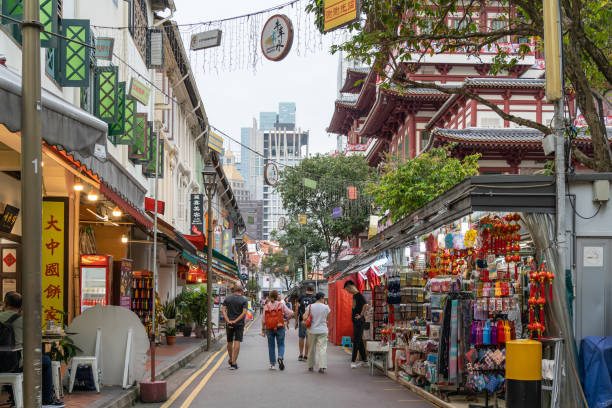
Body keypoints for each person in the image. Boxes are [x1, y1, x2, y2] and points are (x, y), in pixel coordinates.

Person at [0, 292, 64, 407]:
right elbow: (34, 342)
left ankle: (15, 397)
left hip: (1, 362)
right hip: (16, 362)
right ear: (21, 306)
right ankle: (47, 400)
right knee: (46, 361)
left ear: (5, 303)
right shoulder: (23, 320)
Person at [261, 290, 293, 370]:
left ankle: (272, 364)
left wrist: (263, 329)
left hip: (269, 328)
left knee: (271, 346)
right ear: (277, 296)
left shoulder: (266, 306)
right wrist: (286, 321)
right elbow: (290, 313)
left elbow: (263, 320)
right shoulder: (281, 305)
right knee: (281, 344)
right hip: (280, 327)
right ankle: (280, 356)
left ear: (269, 296)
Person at [302, 292, 330, 373]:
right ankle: (322, 367)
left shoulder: (310, 306)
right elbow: (327, 318)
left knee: (311, 348)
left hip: (312, 330)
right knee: (322, 348)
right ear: (321, 298)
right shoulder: (326, 307)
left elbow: (304, 317)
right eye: (324, 298)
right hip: (323, 330)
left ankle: (310, 366)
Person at [222, 286, 248, 370]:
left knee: (229, 341)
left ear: (234, 290)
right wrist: (236, 320)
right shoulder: (244, 300)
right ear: (241, 291)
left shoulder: (228, 298)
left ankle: (230, 358)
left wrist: (228, 320)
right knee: (237, 341)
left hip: (229, 323)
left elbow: (223, 310)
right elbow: (244, 313)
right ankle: (234, 362)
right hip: (239, 324)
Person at [344, 280, 369, 368]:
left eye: (348, 290)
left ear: (350, 287)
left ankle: (353, 361)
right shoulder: (355, 295)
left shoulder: (359, 295)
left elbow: (366, 305)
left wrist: (361, 315)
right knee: (359, 341)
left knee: (356, 341)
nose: (348, 291)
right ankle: (365, 361)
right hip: (356, 321)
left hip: (359, 321)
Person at [295, 286, 316, 361]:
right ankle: (306, 356)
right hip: (310, 321)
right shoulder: (314, 298)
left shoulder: (301, 296)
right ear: (313, 290)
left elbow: (297, 308)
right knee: (308, 338)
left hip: (302, 320)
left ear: (306, 289)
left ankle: (300, 355)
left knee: (301, 337)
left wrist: (296, 321)